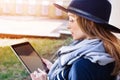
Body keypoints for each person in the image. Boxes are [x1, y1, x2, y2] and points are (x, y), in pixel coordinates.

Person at [30, 0, 120, 80]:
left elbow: (83, 72)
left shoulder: (82, 66)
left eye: (72, 20)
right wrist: (54, 69)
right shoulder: (106, 52)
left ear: (90, 24)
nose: (68, 26)